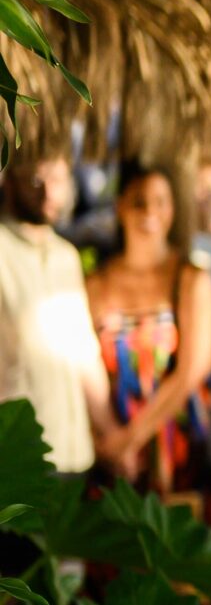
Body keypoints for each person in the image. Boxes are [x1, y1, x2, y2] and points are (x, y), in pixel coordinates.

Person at [86, 163, 211, 496]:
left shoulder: (189, 279)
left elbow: (193, 370)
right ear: (120, 208)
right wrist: (108, 442)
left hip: (176, 451)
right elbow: (81, 367)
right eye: (138, 201)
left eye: (160, 201)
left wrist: (130, 439)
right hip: (113, 454)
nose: (149, 211)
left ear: (172, 210)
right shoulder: (97, 284)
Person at [0, 151, 115, 474]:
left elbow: (83, 355)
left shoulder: (66, 257)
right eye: (37, 179)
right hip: (17, 458)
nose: (48, 192)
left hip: (74, 453)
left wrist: (112, 432)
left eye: (58, 179)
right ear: (9, 182)